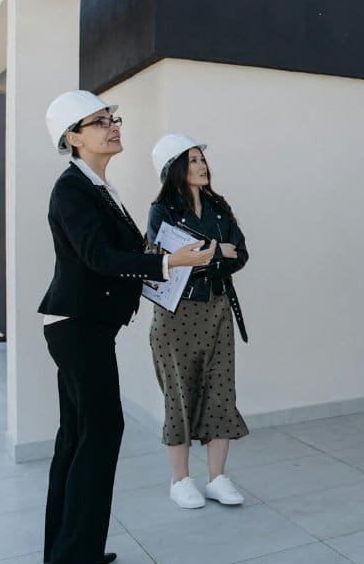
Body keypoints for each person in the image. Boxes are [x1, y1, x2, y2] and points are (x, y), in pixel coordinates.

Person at [39, 91, 214, 564]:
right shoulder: (72, 188)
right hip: (78, 326)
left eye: (112, 118)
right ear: (74, 137)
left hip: (85, 326)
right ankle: (75, 555)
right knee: (99, 432)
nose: (113, 126)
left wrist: (162, 257)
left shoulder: (99, 188)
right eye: (99, 122)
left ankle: (69, 553)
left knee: (77, 438)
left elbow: (121, 253)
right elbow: (98, 257)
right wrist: (167, 263)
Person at [146, 134, 251, 509]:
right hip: (177, 314)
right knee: (180, 394)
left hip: (218, 308)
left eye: (202, 159)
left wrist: (206, 257)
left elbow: (241, 254)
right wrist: (218, 251)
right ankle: (180, 480)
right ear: (174, 168)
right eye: (192, 160)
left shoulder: (219, 206)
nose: (202, 165)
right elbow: (168, 258)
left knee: (221, 392)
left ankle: (217, 478)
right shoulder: (162, 210)